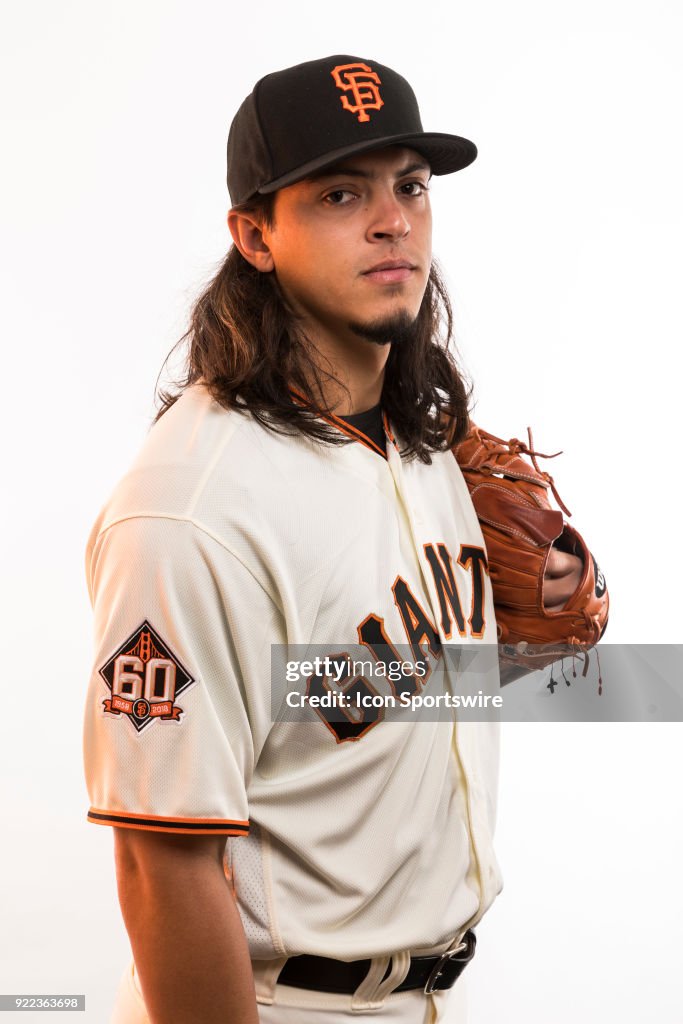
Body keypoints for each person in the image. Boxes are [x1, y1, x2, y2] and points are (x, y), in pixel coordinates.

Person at [83, 54, 584, 1024]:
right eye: (341, 192)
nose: (392, 218)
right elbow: (159, 864)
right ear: (254, 234)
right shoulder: (190, 505)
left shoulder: (427, 445)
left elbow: (348, 701)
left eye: (410, 185)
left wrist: (518, 634)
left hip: (435, 998)